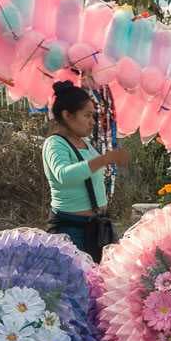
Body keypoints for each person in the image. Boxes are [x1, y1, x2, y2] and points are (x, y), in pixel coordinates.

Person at [42, 80, 130, 261]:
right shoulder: (55, 143)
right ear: (67, 115)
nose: (92, 122)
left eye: (93, 116)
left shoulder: (86, 144)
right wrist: (104, 159)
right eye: (87, 115)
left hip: (96, 227)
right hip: (71, 229)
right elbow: (64, 175)